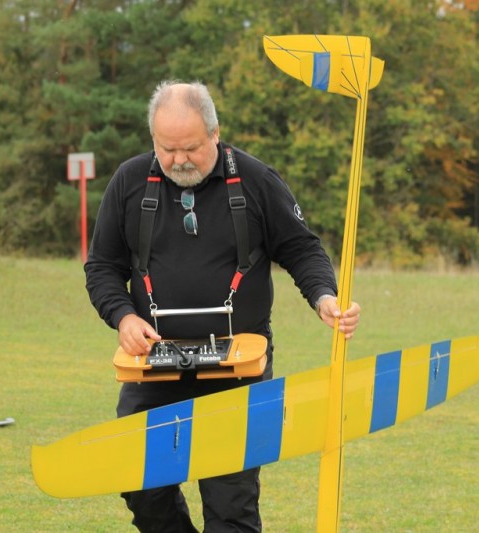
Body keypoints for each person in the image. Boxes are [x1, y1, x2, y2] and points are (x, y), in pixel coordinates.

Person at [85, 80, 360, 533]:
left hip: (239, 366)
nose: (179, 159)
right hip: (155, 364)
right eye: (166, 149)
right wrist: (124, 316)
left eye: (191, 147)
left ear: (215, 133)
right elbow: (102, 267)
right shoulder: (129, 182)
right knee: (140, 483)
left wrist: (324, 297)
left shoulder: (256, 180)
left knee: (231, 504)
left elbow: (302, 249)